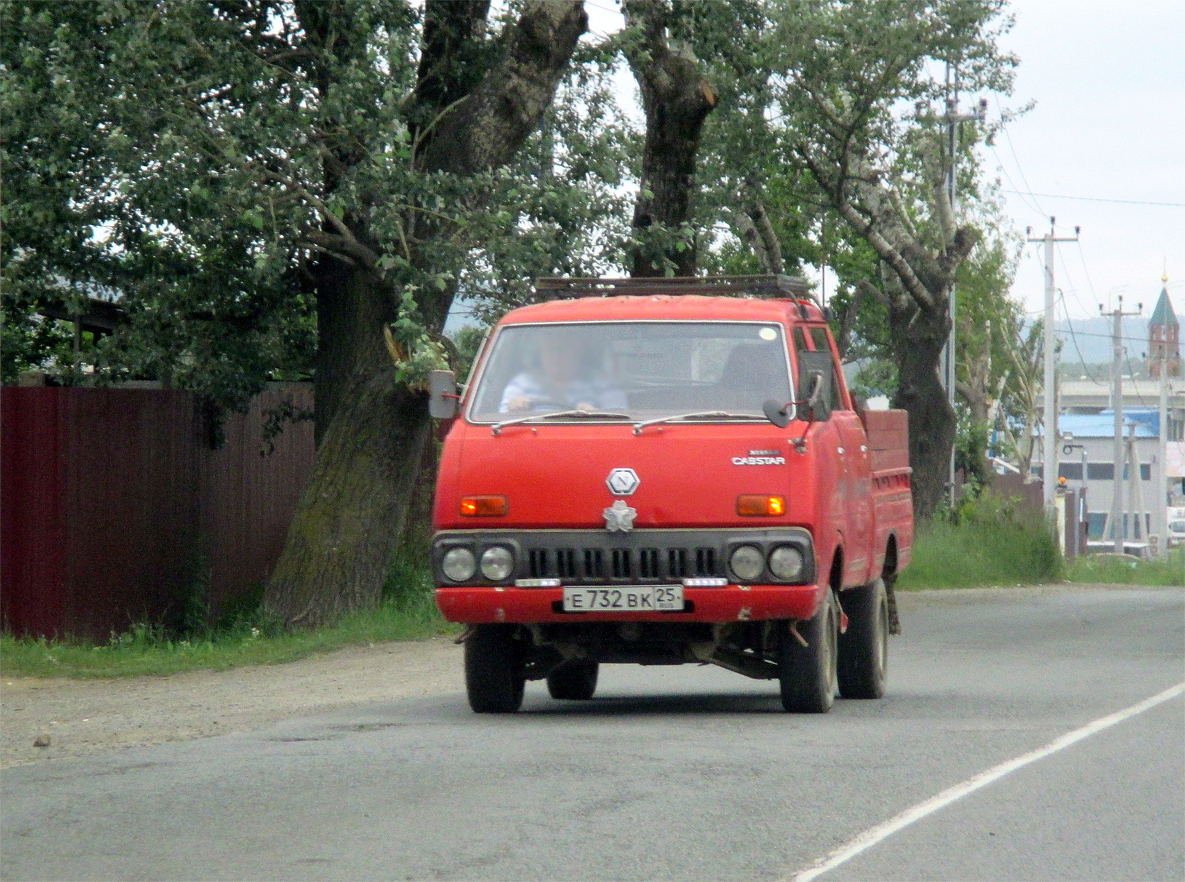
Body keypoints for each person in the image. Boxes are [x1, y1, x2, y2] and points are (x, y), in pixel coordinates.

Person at [500, 331, 626, 413]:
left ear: (577, 352)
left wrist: (595, 415)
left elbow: (621, 422)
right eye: (550, 350)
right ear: (541, 354)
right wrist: (514, 407)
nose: (555, 356)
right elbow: (499, 423)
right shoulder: (523, 382)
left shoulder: (603, 383)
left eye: (562, 350)